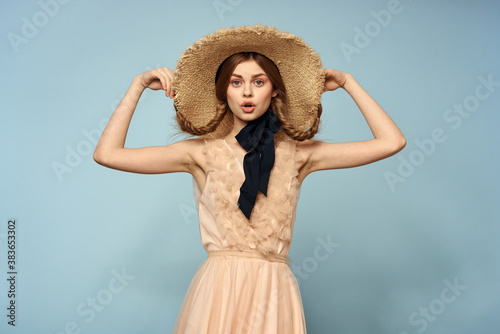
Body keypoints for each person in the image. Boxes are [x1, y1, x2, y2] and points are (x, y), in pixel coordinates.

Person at [93, 25, 406, 334]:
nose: (247, 92)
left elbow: (392, 142)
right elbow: (107, 154)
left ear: (274, 90)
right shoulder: (200, 153)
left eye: (259, 81)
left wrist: (350, 83)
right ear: (223, 90)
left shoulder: (299, 155)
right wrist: (137, 86)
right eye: (236, 81)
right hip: (219, 289)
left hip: (273, 291)